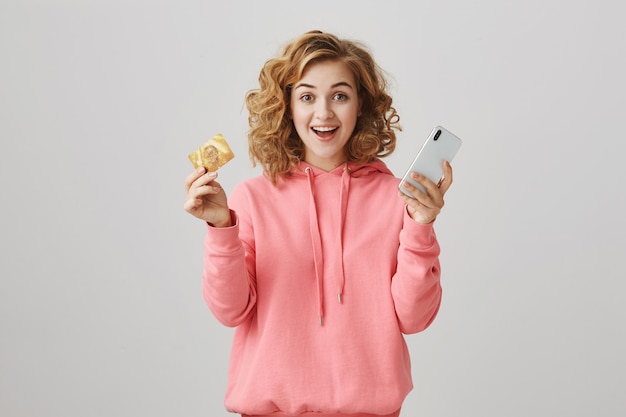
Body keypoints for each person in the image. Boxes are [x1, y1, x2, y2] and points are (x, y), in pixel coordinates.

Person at [184, 30, 453, 417]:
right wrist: (221, 228)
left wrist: (421, 227)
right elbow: (230, 311)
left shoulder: (399, 199)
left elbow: (415, 317)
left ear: (361, 105)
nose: (324, 113)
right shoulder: (250, 199)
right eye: (307, 97)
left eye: (339, 96)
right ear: (287, 107)